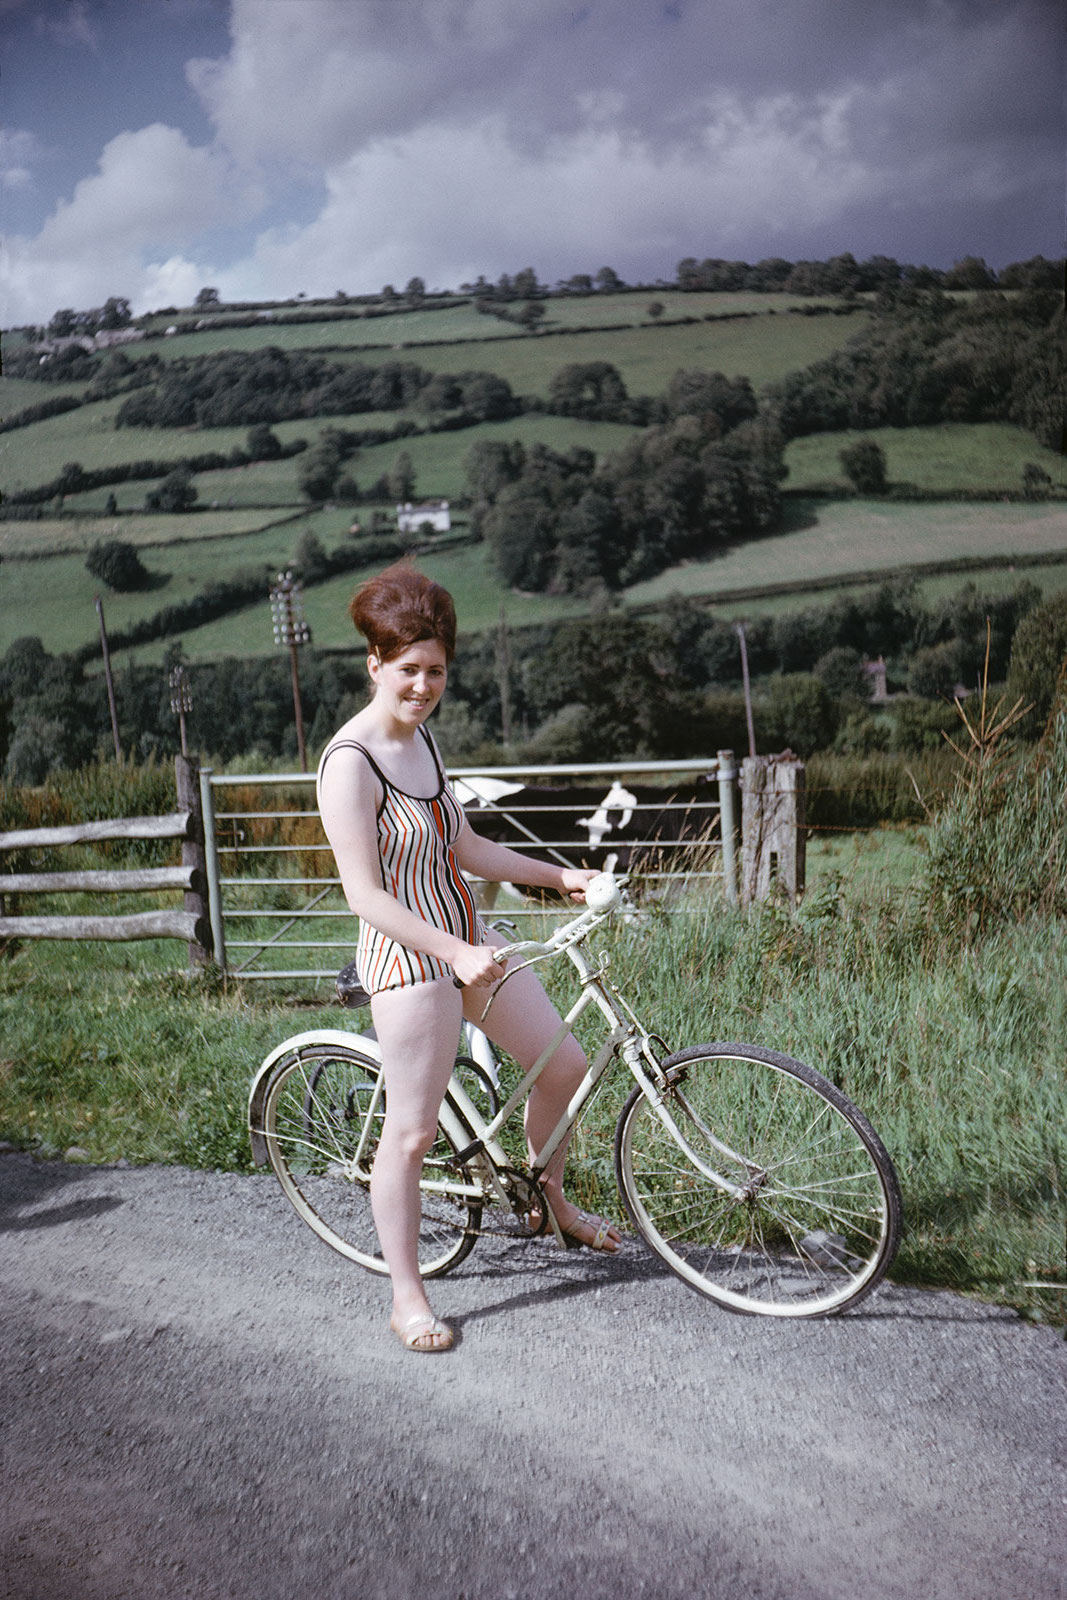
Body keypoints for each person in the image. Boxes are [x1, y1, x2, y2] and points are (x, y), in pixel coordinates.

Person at [317, 563, 622, 1354]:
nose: (422, 686)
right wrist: (452, 952)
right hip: (411, 957)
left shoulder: (424, 744)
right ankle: (407, 1295)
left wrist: (562, 875)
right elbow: (364, 895)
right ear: (375, 663)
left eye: (436, 672)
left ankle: (550, 1202)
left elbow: (465, 846)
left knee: (563, 1065)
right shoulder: (351, 762)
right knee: (412, 1133)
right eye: (408, 669)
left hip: (470, 946)